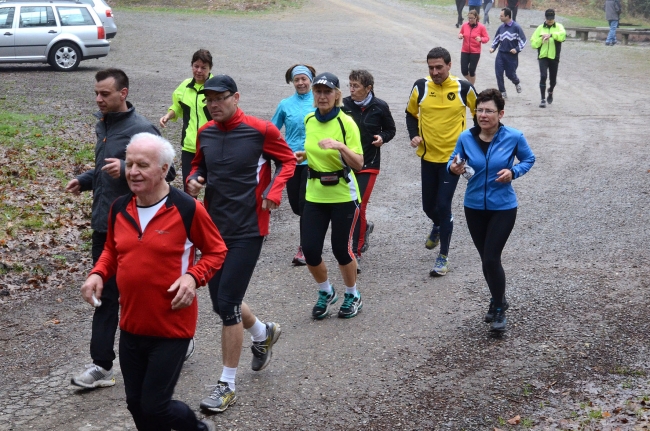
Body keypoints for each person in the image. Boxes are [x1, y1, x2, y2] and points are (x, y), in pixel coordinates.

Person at [81, 133, 226, 431]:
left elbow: (216, 251)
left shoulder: (187, 209)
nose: (132, 171)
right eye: (129, 164)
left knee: (155, 405)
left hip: (172, 326)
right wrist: (98, 273)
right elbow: (112, 250)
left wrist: (193, 276)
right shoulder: (119, 208)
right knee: (136, 404)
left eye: (142, 165)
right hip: (132, 324)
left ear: (163, 169)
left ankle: (197, 429)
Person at [186, 75, 296, 413]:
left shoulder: (261, 130)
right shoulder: (205, 133)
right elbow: (197, 166)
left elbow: (289, 160)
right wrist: (193, 180)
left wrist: (274, 191)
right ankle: (263, 334)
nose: (212, 104)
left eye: (219, 98)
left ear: (236, 97)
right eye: (208, 100)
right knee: (221, 303)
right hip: (213, 228)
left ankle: (226, 385)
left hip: (249, 228)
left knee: (229, 304)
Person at [66, 68, 176, 389]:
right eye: (96, 93)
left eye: (105, 94)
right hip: (105, 226)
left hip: (138, 227)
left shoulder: (142, 130)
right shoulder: (104, 125)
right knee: (104, 294)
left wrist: (127, 172)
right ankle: (101, 365)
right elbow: (106, 168)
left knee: (147, 291)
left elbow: (167, 176)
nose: (98, 99)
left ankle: (175, 339)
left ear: (123, 93)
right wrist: (86, 180)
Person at [448, 89, 535, 332]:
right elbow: (454, 160)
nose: (483, 115)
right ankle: (499, 299)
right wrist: (453, 168)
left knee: (490, 258)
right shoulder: (466, 137)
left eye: (489, 111)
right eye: (480, 110)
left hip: (503, 207)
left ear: (501, 113)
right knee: (486, 261)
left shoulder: (514, 137)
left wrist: (513, 172)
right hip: (473, 206)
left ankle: (498, 308)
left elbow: (529, 159)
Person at [296, 72, 364, 319]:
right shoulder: (309, 119)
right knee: (310, 250)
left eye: (328, 92)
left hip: (343, 193)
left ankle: (352, 294)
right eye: (318, 91)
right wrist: (304, 155)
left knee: (341, 249)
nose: (322, 96)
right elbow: (314, 147)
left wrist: (340, 146)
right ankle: (326, 291)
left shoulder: (347, 123)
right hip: (315, 194)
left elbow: (358, 162)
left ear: (337, 95)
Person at [406, 47, 477, 277]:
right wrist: (413, 135)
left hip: (453, 160)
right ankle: (438, 224)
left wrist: (473, 146)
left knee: (444, 205)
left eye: (439, 67)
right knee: (429, 206)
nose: (435, 72)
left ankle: (443, 256)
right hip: (428, 156)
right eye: (431, 68)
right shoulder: (420, 87)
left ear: (449, 65)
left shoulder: (463, 87)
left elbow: (480, 114)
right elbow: (410, 113)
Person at [342, 69, 395, 271]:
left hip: (369, 163)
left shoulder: (380, 106)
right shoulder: (343, 105)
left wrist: (383, 138)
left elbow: (390, 129)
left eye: (356, 86)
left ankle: (356, 251)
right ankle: (363, 230)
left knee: (359, 206)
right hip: (347, 162)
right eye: (350, 85)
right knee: (347, 206)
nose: (352, 89)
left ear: (368, 88)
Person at [271, 64, 317, 266]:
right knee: (297, 206)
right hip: (290, 161)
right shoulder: (285, 104)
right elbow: (272, 130)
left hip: (314, 161)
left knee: (306, 206)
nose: (300, 83)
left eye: (304, 79)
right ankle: (319, 225)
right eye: (297, 79)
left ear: (311, 80)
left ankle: (305, 248)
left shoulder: (319, 102)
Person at [159, 49, 213, 188]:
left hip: (212, 145)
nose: (199, 70)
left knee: (213, 187)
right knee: (189, 186)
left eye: (203, 67)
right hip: (189, 146)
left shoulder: (215, 87)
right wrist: (168, 115)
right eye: (196, 66)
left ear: (210, 68)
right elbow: (177, 106)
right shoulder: (185, 86)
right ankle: (191, 210)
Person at [530, 9, 566, 108]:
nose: (550, 21)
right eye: (548, 19)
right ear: (545, 18)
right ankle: (542, 99)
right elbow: (533, 43)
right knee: (543, 76)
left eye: (551, 19)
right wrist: (541, 39)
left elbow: (562, 36)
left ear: (554, 18)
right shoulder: (540, 28)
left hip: (554, 56)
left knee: (553, 80)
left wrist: (552, 35)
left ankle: (550, 90)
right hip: (543, 56)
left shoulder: (559, 27)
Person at [489, 8, 527, 99]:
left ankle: (516, 82)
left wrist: (517, 49)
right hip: (501, 54)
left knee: (510, 74)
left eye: (501, 16)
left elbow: (523, 41)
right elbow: (496, 39)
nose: (500, 17)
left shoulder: (516, 27)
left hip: (511, 56)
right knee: (498, 73)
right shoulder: (501, 28)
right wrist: (493, 47)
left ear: (507, 16)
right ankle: (502, 92)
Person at [458, 10, 490, 86]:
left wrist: (481, 39)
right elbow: (461, 33)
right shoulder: (465, 25)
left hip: (475, 52)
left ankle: (471, 87)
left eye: (472, 18)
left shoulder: (481, 27)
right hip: (465, 50)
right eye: (469, 18)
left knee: (472, 70)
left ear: (476, 18)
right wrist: (460, 35)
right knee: (464, 70)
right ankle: (471, 84)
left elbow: (487, 38)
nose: (470, 20)